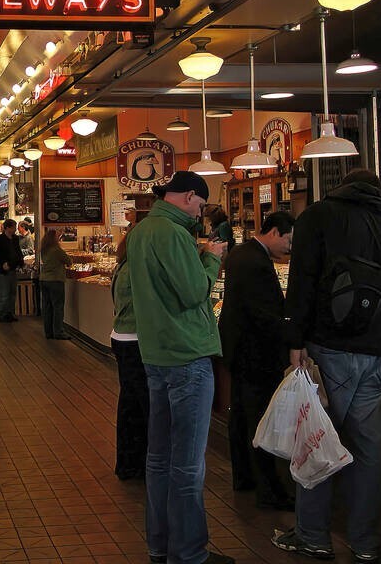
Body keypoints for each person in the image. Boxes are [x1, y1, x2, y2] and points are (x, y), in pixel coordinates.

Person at [273, 170, 381, 563]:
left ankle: (313, 536)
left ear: (341, 188)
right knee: (369, 451)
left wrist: (294, 340)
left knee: (317, 440)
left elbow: (302, 281)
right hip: (380, 354)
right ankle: (365, 542)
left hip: (330, 348)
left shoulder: (319, 216)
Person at [127, 171, 232, 564]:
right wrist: (212, 258)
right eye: (200, 205)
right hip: (187, 355)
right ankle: (188, 553)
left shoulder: (140, 232)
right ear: (189, 196)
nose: (200, 213)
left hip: (156, 354)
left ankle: (160, 545)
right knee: (187, 465)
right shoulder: (173, 234)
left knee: (158, 459)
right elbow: (193, 293)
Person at [219, 211, 296, 511]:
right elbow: (264, 315)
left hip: (237, 349)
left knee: (241, 416)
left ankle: (244, 477)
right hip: (256, 353)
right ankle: (269, 489)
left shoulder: (241, 254)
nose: (289, 247)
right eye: (288, 240)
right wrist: (291, 337)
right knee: (260, 419)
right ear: (275, 232)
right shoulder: (256, 263)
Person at [111, 227, 149, 482]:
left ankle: (127, 463)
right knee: (143, 405)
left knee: (129, 403)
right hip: (135, 340)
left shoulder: (123, 265)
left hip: (121, 337)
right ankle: (140, 463)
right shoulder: (138, 268)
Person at [37, 229, 72, 339]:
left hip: (44, 279)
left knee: (47, 307)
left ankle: (48, 332)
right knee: (58, 307)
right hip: (55, 280)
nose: (59, 238)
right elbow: (68, 261)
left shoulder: (44, 249)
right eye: (57, 236)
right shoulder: (56, 250)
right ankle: (58, 331)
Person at [0, 219, 25, 323]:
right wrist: (2, 264)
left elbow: (18, 251)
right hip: (2, 271)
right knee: (4, 293)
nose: (15, 229)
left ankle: (10, 313)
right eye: (13, 227)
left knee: (12, 293)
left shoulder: (15, 239)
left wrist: (20, 262)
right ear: (7, 228)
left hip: (13, 268)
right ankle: (1, 314)